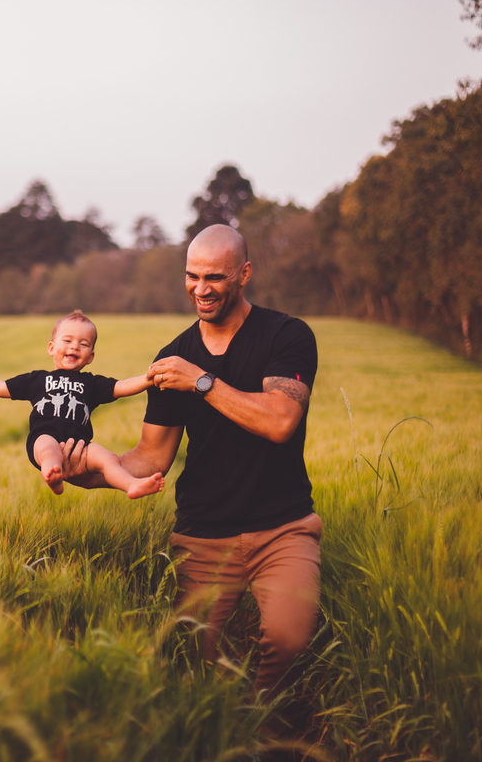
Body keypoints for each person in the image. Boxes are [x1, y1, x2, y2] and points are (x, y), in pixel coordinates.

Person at [60, 225, 320, 698]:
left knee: (287, 640)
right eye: (192, 276)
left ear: (244, 274)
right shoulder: (173, 357)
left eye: (214, 277)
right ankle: (225, 727)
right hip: (202, 534)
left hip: (283, 528)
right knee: (195, 665)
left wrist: (201, 381)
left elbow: (280, 420)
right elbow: (151, 455)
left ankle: (265, 723)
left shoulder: (286, 335)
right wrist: (87, 473)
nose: (200, 288)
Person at [0, 310, 165, 499]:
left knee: (108, 458)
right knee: (49, 450)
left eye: (84, 344)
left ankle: (131, 484)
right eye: (67, 340)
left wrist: (147, 379)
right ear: (51, 347)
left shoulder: (91, 383)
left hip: (80, 446)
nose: (75, 346)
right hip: (44, 436)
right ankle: (53, 474)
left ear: (90, 357)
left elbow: (122, 386)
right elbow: (0, 387)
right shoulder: (37, 379)